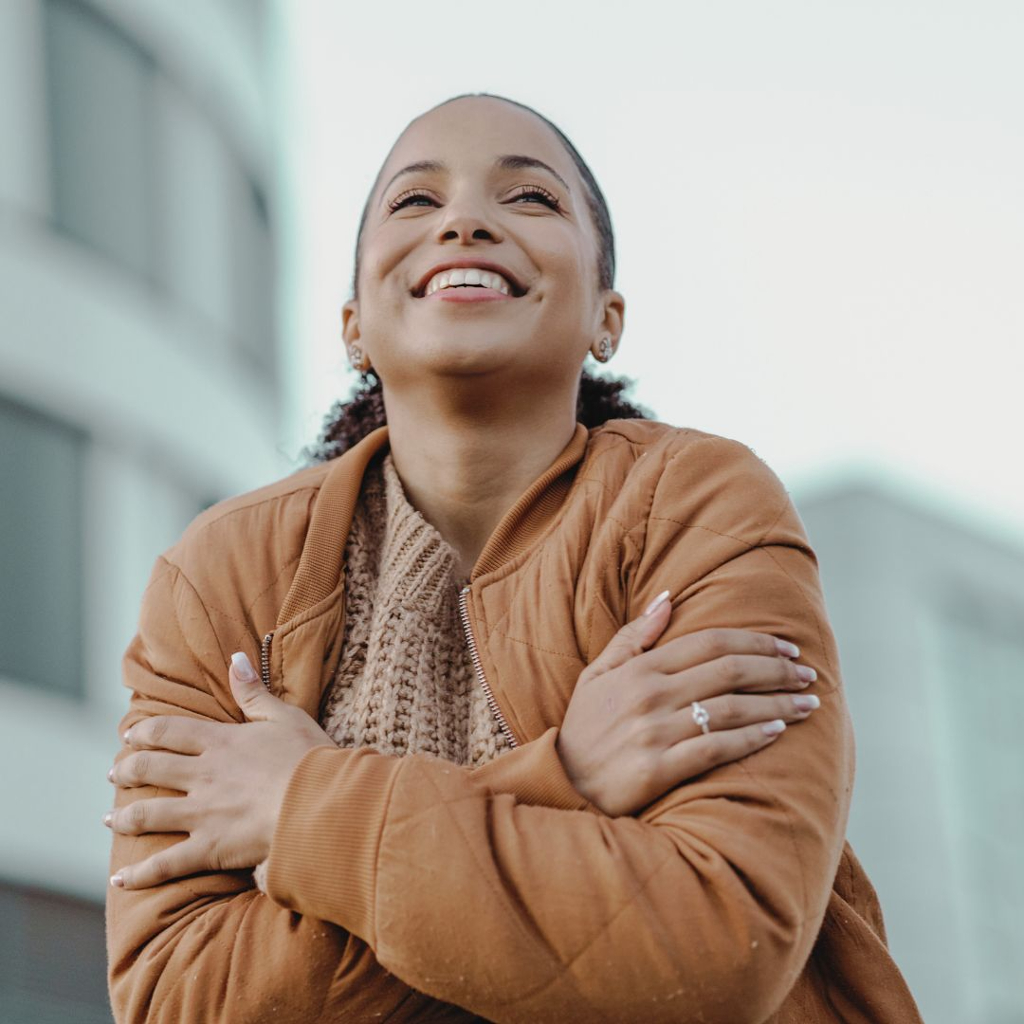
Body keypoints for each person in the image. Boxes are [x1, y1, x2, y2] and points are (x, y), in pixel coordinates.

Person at [104, 92, 922, 1022]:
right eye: (416, 201)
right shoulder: (221, 572)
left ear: (607, 319)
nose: (464, 221)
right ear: (353, 326)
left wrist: (302, 810)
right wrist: (561, 778)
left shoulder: (698, 503)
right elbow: (179, 997)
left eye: (530, 198)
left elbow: (719, 939)